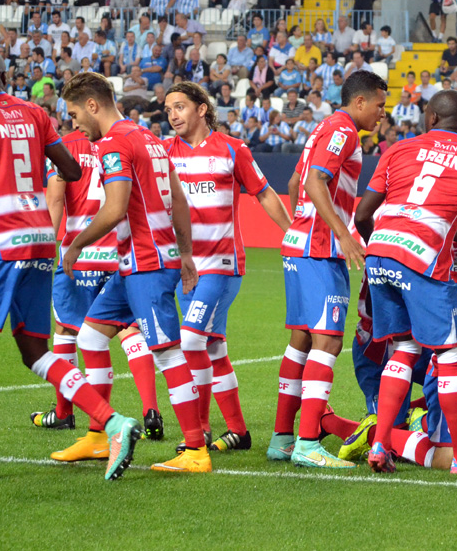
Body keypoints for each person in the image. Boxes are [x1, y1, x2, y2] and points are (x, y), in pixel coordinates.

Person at [0, 48, 142, 481]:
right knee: (35, 351)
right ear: (4, 76)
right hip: (43, 239)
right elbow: (72, 169)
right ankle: (113, 422)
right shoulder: (35, 114)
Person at [354, 90, 457, 476]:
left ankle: (381, 444)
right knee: (453, 356)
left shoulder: (397, 149)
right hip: (422, 260)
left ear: (429, 116)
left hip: (380, 251)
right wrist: (442, 229)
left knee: (404, 347)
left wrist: (382, 246)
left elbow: (363, 214)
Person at [56, 72, 210, 473]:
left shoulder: (113, 144)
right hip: (140, 263)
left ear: (93, 105)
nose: (74, 123)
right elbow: (178, 198)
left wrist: (75, 244)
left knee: (167, 351)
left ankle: (196, 449)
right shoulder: (150, 138)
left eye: (74, 114)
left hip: (148, 263)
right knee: (89, 335)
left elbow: (115, 207)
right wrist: (188, 253)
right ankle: (96, 435)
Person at [268, 71, 387, 468]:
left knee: (301, 339)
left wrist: (296, 228)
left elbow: (295, 179)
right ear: (359, 102)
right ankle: (306, 444)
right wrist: (343, 233)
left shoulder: (324, 126)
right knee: (328, 342)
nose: (382, 114)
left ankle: (283, 438)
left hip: (302, 246)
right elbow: (315, 181)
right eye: (380, 105)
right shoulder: (345, 131)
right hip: (319, 250)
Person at [164, 82, 292, 453]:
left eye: (180, 107)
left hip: (221, 264)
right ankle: (238, 430)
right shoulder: (164, 153)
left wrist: (291, 233)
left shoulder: (232, 149)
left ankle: (200, 432)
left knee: (190, 341)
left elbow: (265, 192)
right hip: (183, 268)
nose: (173, 115)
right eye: (169, 109)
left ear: (202, 110)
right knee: (213, 347)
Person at [28, 114, 162, 438]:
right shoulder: (119, 143)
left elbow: (56, 199)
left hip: (80, 256)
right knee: (128, 331)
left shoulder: (65, 148)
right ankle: (150, 411)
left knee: (66, 331)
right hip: (118, 257)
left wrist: (46, 248)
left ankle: (64, 413)